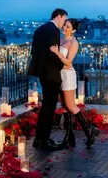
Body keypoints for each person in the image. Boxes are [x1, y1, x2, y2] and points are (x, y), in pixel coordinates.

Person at [50, 19, 100, 148]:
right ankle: (70, 134)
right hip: (58, 74)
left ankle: (88, 133)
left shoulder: (73, 42)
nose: (65, 28)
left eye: (68, 27)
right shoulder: (61, 40)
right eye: (65, 26)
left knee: (71, 105)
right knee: (64, 105)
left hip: (67, 75)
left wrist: (57, 53)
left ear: (74, 30)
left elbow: (68, 62)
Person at [28, 8, 68, 150]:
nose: (64, 24)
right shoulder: (54, 31)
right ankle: (44, 141)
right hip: (52, 74)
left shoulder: (40, 29)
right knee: (49, 108)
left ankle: (39, 139)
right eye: (64, 19)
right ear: (58, 16)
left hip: (42, 73)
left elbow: (35, 52)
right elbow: (52, 54)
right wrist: (62, 65)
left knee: (45, 107)